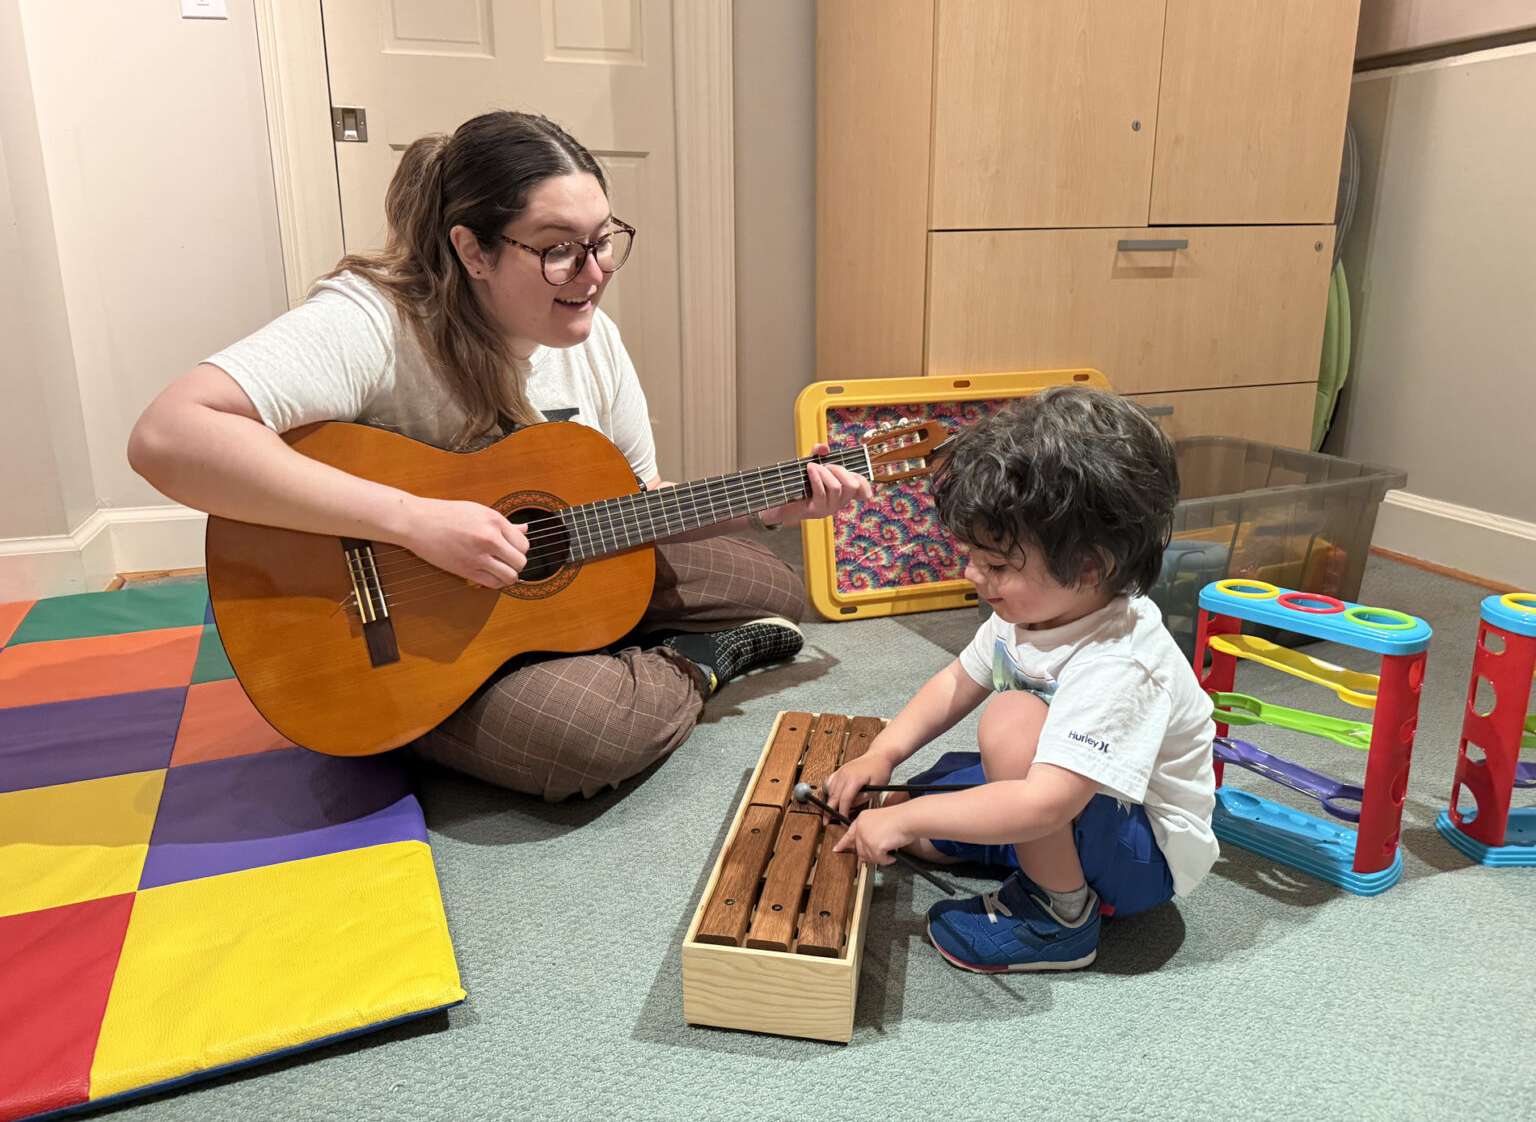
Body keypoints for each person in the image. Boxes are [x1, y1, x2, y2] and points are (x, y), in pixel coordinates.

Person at [129, 109, 871, 801]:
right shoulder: (374, 322)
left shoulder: (592, 335)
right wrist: (413, 521)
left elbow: (637, 503)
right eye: (557, 250)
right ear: (472, 249)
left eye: (604, 239)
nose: (594, 271)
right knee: (587, 734)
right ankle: (661, 668)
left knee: (771, 589)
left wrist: (759, 508)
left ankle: (556, 650)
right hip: (388, 643)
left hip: (521, 586)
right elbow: (167, 436)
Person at [822, 386, 1217, 973]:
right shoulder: (1036, 609)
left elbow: (1042, 803)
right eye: (973, 555)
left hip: (1142, 852)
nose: (972, 574)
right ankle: (1010, 847)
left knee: (1006, 725)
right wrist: (884, 753)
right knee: (931, 789)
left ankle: (1059, 918)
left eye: (998, 565)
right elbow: (959, 680)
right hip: (1073, 793)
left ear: (1090, 566)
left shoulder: (1120, 663)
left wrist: (905, 819)